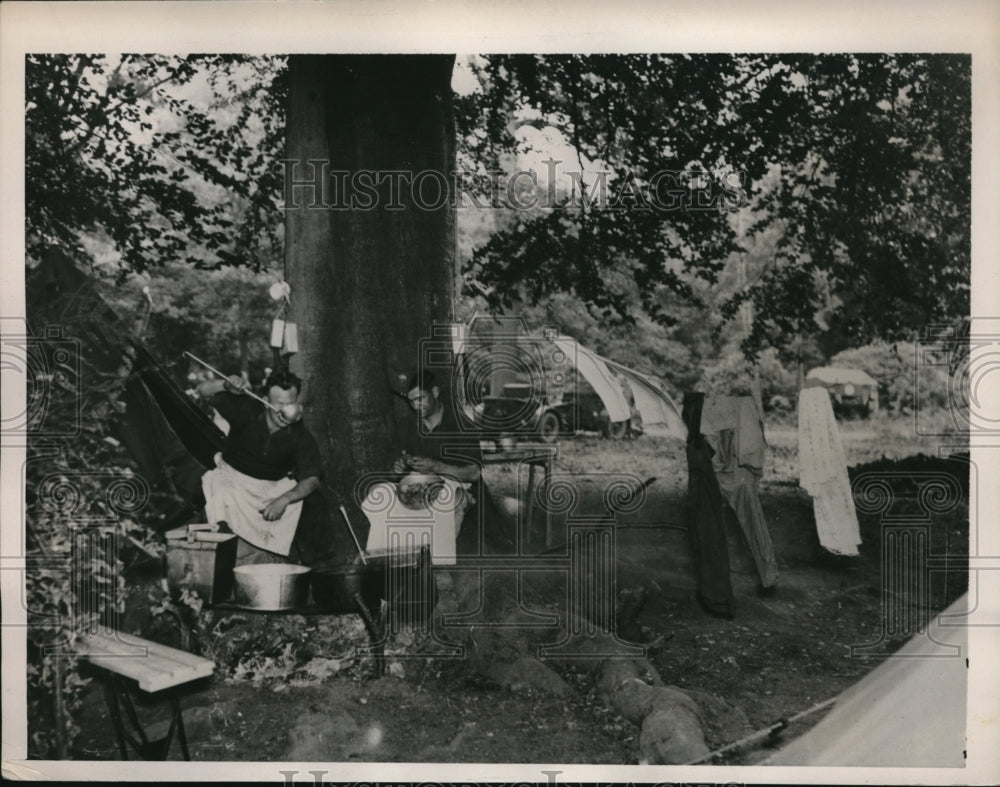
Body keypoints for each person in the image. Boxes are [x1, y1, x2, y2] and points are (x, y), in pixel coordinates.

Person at [197, 368, 323, 565]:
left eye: (290, 404)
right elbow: (203, 390)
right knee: (219, 492)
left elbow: (312, 478)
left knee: (300, 502)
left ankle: (278, 563)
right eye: (279, 404)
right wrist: (226, 384)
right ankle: (224, 562)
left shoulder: (300, 435)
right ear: (265, 400)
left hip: (270, 489)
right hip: (233, 479)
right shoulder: (246, 409)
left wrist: (284, 499)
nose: (285, 411)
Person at [392, 370, 514, 556]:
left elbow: (473, 473)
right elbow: (403, 460)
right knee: (385, 495)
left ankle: (440, 566)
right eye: (411, 401)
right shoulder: (409, 425)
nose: (415, 406)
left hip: (462, 485)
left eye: (420, 399)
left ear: (435, 392)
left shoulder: (460, 424)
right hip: (425, 488)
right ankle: (402, 558)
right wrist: (400, 466)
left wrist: (436, 467)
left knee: (444, 501)